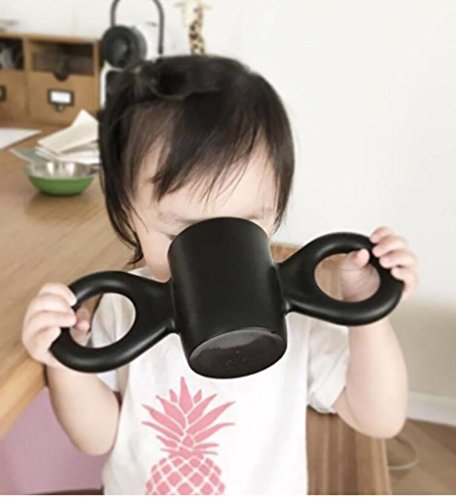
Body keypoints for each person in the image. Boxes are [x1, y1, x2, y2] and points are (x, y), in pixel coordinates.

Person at [22, 54, 419, 495]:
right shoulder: (123, 306)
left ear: (275, 207)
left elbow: (378, 418)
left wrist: (368, 313)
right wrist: (67, 363)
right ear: (128, 214)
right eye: (182, 232)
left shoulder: (294, 317)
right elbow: (97, 438)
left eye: (246, 224)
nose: (214, 258)